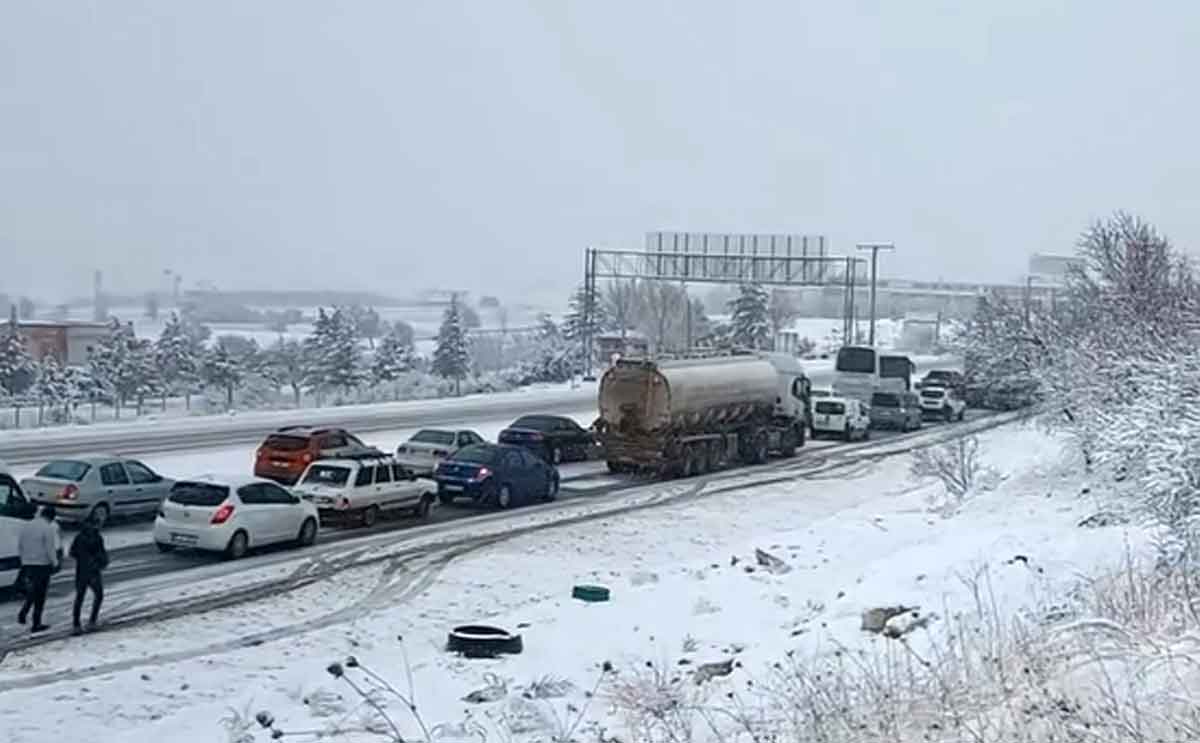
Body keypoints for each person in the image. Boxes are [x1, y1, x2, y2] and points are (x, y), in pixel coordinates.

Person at [17, 505, 60, 633]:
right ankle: (36, 623)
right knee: (40, 594)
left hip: (28, 563)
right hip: (42, 564)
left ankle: (24, 612)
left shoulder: (27, 526)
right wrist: (55, 562)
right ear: (51, 517)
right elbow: (50, 548)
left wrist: (24, 560)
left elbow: (21, 544)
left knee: (33, 589)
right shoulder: (48, 528)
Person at [69, 511, 108, 634]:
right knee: (99, 595)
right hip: (93, 570)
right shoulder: (97, 537)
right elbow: (101, 554)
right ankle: (92, 621)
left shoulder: (79, 536)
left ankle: (76, 624)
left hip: (81, 570)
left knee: (79, 597)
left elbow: (72, 552)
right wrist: (100, 562)